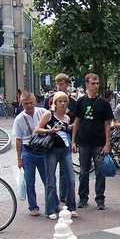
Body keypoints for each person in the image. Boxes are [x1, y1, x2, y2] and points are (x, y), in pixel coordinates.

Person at [72, 73, 113, 210]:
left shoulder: (104, 103)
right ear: (87, 85)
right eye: (93, 83)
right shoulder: (81, 102)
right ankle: (83, 197)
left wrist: (107, 143)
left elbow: (107, 124)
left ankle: (100, 199)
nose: (96, 86)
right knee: (83, 171)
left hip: (99, 142)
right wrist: (73, 140)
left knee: (100, 171)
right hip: (84, 141)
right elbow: (76, 121)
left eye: (97, 83)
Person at [34, 92, 77, 219]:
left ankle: (71, 207)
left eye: (65, 101)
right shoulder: (49, 114)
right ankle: (50, 209)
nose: (63, 104)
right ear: (55, 103)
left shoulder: (67, 117)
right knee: (51, 180)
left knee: (71, 179)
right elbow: (37, 129)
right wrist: (50, 131)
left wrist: (74, 126)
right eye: (60, 101)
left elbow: (66, 129)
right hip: (51, 149)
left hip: (65, 150)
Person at [12, 91, 48, 216]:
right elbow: (18, 140)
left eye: (31, 103)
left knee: (48, 178)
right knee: (30, 181)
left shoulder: (42, 112)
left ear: (35, 101)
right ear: (22, 104)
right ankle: (33, 206)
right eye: (26, 103)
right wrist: (19, 158)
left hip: (43, 150)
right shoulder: (19, 119)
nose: (29, 106)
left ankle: (52, 203)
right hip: (28, 151)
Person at [44, 73, 78, 203]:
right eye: (57, 84)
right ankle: (52, 200)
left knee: (65, 170)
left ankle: (64, 195)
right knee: (50, 172)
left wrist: (75, 139)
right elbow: (44, 116)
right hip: (51, 138)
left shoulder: (74, 101)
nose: (59, 86)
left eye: (61, 83)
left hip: (66, 137)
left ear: (67, 84)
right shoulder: (50, 99)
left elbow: (76, 119)